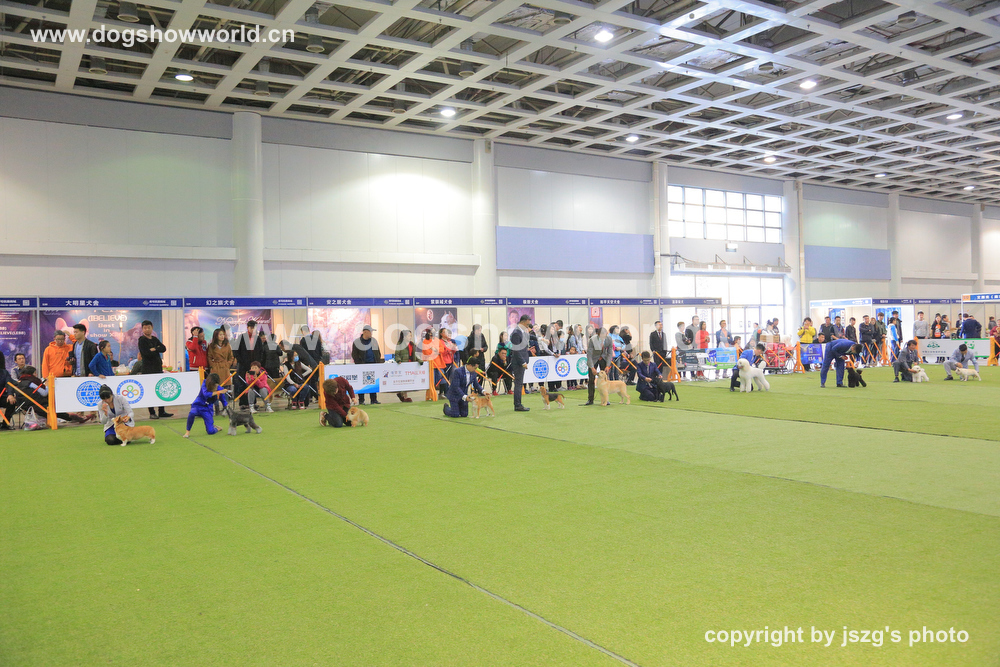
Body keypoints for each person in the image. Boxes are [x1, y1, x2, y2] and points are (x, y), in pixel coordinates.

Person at [137, 320, 172, 419]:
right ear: (142, 329)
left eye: (149, 327)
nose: (147, 329)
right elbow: (146, 353)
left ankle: (162, 411)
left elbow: (163, 348)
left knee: (160, 389)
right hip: (148, 369)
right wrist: (156, 349)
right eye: (145, 328)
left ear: (152, 328)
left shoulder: (155, 339)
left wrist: (154, 349)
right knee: (150, 390)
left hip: (158, 368)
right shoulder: (142, 340)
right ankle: (152, 412)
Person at [233, 320, 266, 409]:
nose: (253, 329)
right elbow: (236, 351)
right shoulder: (241, 337)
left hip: (254, 366)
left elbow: (261, 351)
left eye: (254, 328)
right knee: (242, 383)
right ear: (247, 327)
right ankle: (243, 403)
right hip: (243, 365)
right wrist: (241, 361)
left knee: (253, 383)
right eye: (251, 328)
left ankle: (252, 402)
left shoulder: (257, 339)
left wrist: (258, 363)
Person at [183, 373, 226, 437]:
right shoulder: (204, 383)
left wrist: (226, 408)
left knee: (210, 431)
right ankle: (187, 431)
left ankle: (216, 428)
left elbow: (224, 401)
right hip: (198, 405)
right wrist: (218, 392)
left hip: (208, 409)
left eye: (215, 385)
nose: (214, 387)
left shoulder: (220, 388)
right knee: (192, 413)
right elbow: (206, 394)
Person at [350, 325, 383, 406]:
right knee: (361, 383)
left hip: (373, 364)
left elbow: (378, 352)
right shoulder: (357, 342)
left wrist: (378, 361)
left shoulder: (374, 341)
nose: (371, 333)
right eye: (370, 332)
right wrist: (359, 364)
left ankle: (374, 399)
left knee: (373, 382)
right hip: (362, 365)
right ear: (365, 332)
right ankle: (361, 400)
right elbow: (354, 355)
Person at [583, 326, 614, 406]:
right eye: (601, 336)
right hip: (594, 358)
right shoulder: (592, 340)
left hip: (603, 358)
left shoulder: (609, 339)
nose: (603, 338)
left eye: (605, 335)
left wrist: (608, 365)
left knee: (606, 378)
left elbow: (610, 352)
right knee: (591, 379)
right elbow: (589, 355)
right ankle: (590, 399)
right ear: (598, 334)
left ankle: (606, 400)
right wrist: (592, 367)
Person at [509, 314, 532, 412]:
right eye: (527, 324)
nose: (528, 326)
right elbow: (516, 350)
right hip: (518, 362)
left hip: (521, 360)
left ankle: (518, 404)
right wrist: (522, 362)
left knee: (519, 383)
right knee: (518, 384)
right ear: (523, 322)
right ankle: (518, 405)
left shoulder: (521, 332)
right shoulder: (516, 333)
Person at [392, 329, 418, 403]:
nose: (410, 337)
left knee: (408, 380)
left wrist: (418, 360)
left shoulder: (412, 344)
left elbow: (415, 354)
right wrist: (398, 360)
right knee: (404, 380)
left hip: (411, 364)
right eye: (409, 335)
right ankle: (404, 396)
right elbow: (397, 354)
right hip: (403, 364)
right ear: (404, 336)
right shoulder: (400, 344)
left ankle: (401, 394)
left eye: (411, 335)